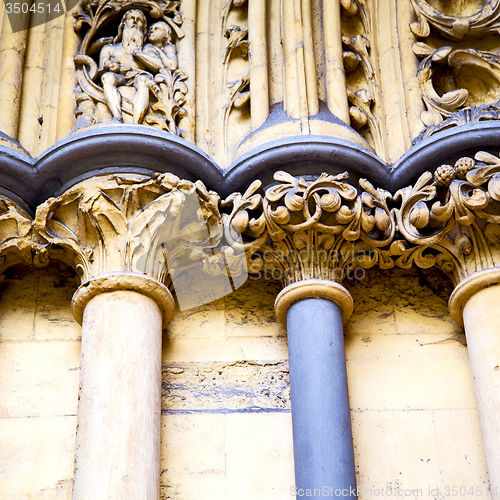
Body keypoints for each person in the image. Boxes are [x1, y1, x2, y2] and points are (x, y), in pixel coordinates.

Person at [98, 10, 173, 124]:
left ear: (144, 28)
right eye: (131, 18)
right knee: (107, 77)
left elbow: (159, 65)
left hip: (139, 77)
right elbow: (102, 64)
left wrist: (138, 53)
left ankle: (136, 123)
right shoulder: (111, 48)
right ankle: (117, 116)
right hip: (119, 76)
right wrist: (111, 65)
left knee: (143, 80)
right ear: (124, 24)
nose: (134, 22)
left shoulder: (148, 49)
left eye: (139, 20)